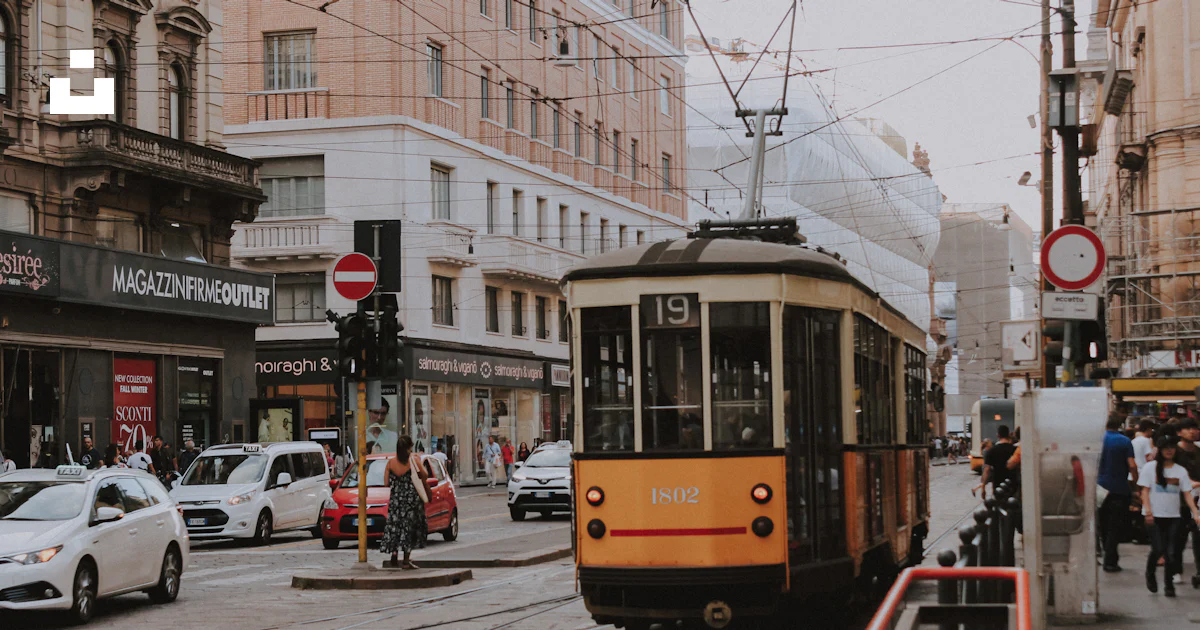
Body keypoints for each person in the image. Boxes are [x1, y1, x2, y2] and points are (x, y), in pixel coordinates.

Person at [1139, 436, 1200, 596]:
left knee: (1171, 552)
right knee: (1158, 548)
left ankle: (1168, 585)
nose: (1169, 450)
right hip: (1153, 516)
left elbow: (1187, 493)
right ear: (1159, 450)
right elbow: (1144, 491)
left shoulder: (1180, 471)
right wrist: (1148, 511)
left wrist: (1195, 512)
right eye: (1165, 447)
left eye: (1172, 447)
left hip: (1173, 516)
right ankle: (1150, 573)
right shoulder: (1150, 468)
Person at [379, 435, 429, 570]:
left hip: (396, 501)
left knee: (395, 527)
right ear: (408, 448)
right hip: (411, 501)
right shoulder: (413, 461)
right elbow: (425, 475)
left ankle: (394, 555)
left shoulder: (390, 463)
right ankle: (406, 561)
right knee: (409, 529)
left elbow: (385, 483)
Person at [1097, 414, 1138, 572]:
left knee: (1104, 524)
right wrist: (1136, 486)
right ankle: (1110, 561)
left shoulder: (1097, 440)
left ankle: (1106, 554)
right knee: (1115, 526)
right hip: (1119, 489)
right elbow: (1132, 465)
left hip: (1099, 487)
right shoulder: (1124, 441)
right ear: (1120, 425)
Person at [1171, 418, 1200, 585]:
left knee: (1198, 538)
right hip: (1179, 502)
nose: (1193, 431)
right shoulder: (1173, 452)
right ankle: (1175, 570)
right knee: (1178, 538)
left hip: (1198, 502)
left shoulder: (1198, 451)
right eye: (1188, 428)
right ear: (1179, 432)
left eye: (1195, 428)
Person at [981, 425, 1016, 498]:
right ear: (1008, 435)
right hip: (1013, 484)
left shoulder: (992, 451)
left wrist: (983, 488)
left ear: (998, 435)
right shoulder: (1014, 449)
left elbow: (986, 470)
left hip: (998, 484)